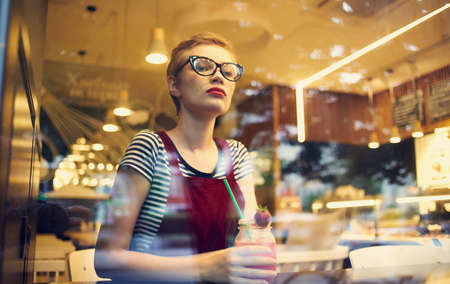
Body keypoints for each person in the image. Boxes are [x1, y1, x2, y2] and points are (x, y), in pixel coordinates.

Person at [95, 32, 276, 284]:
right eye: (202, 66)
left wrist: (259, 239)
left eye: (228, 71)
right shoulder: (150, 147)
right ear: (174, 85)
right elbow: (105, 259)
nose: (218, 76)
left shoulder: (236, 154)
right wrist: (207, 267)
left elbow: (252, 229)